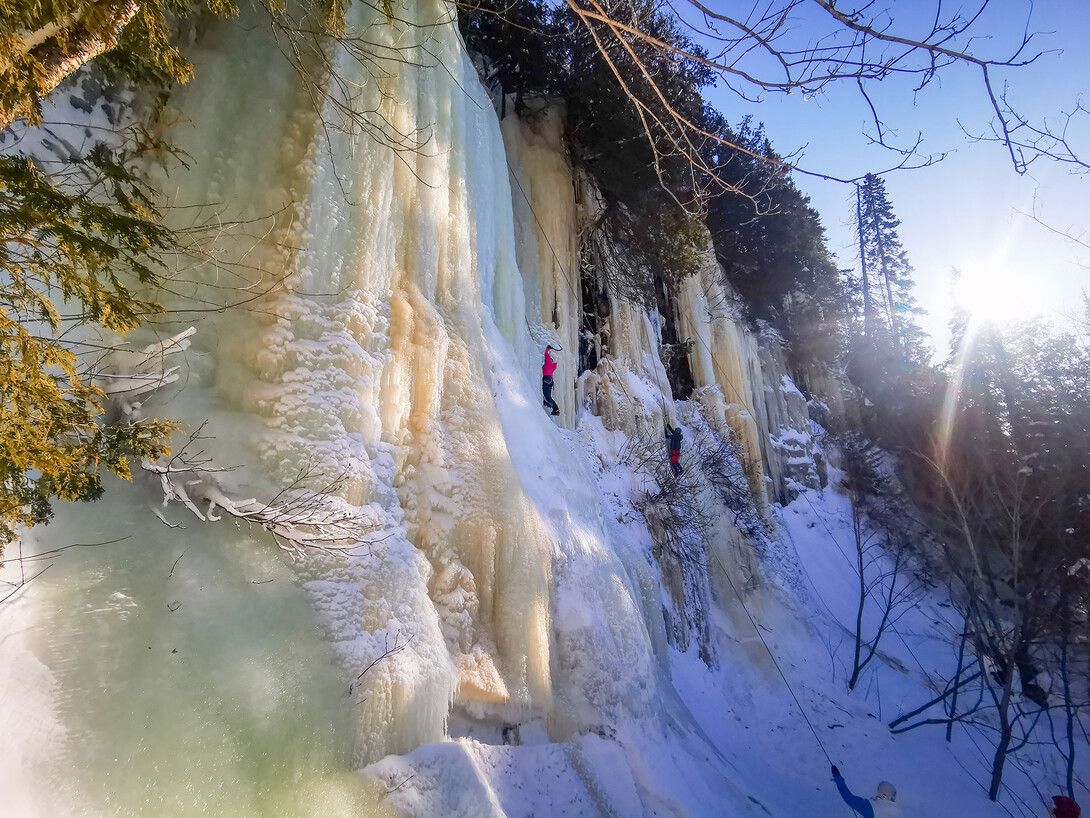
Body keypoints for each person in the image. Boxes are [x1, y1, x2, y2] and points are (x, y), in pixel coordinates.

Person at [831, 766, 899, 817]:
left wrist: (838, 777)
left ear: (882, 794)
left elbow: (848, 798)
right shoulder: (898, 812)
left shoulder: (869, 807)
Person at [542, 345, 560, 416]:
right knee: (548, 395)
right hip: (549, 381)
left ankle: (555, 408)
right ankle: (551, 406)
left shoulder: (549, 363)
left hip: (547, 379)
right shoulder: (551, 367)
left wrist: (547, 349)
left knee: (547, 395)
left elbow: (546, 355)